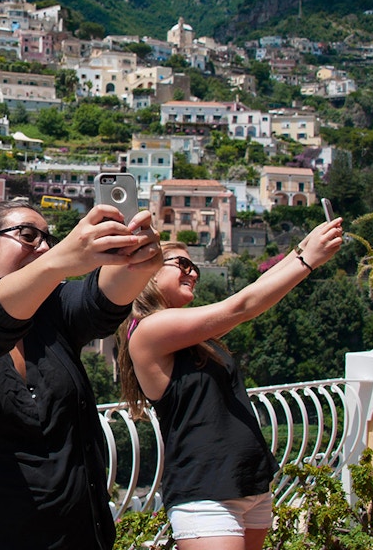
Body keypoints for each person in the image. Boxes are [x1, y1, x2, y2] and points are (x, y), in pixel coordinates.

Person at [0, 199, 163, 550]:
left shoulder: (55, 315)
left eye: (48, 238)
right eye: (28, 236)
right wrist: (59, 261)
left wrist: (136, 257)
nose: (43, 246)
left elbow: (100, 301)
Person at [118, 219, 343, 550]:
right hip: (207, 493)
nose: (193, 273)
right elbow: (241, 306)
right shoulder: (148, 331)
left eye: (194, 266)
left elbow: (251, 293)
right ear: (149, 272)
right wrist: (306, 259)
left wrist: (301, 250)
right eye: (182, 263)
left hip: (246, 483)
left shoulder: (191, 337)